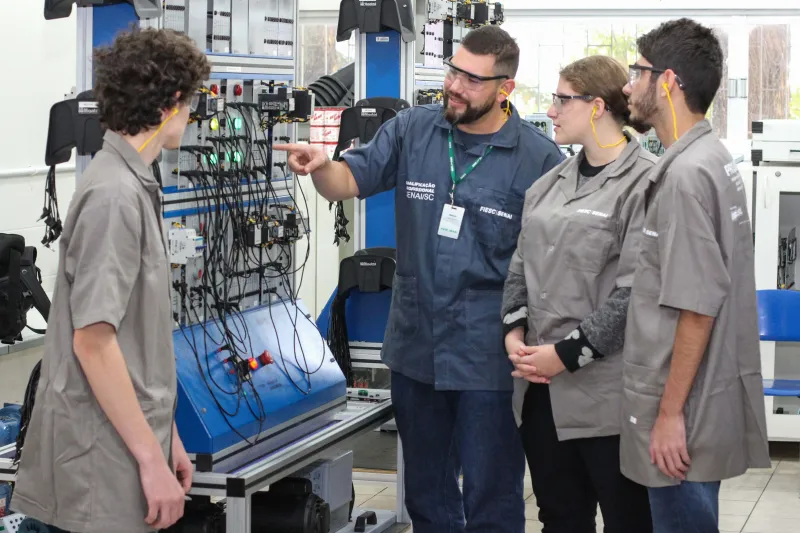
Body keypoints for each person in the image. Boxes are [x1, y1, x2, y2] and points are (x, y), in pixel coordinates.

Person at [275, 25, 563, 533]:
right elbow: (347, 181)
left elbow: (554, 265)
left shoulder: (538, 159)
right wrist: (321, 167)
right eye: (454, 71)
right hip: (417, 349)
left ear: (505, 89)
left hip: (488, 359)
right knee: (426, 497)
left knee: (491, 496)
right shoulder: (413, 129)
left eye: (472, 80)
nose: (454, 86)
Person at [12, 28, 211, 533]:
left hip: (126, 443)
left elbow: (131, 342)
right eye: (191, 101)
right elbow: (94, 342)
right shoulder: (114, 197)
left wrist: (167, 440)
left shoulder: (132, 184)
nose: (192, 114)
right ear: (171, 102)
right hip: (100, 462)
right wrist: (150, 459)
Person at [620, 18, 770, 532]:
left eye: (637, 72)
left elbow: (698, 305)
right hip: (705, 398)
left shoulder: (685, 176)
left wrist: (668, 415)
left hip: (687, 410)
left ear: (667, 82)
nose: (627, 85)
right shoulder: (711, 156)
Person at [502, 55, 656, 533]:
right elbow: (520, 267)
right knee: (560, 518)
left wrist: (566, 355)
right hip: (542, 391)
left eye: (561, 99)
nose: (550, 111)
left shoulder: (647, 181)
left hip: (609, 397)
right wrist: (513, 328)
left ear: (596, 106)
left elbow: (635, 295)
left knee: (628, 520)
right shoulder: (547, 185)